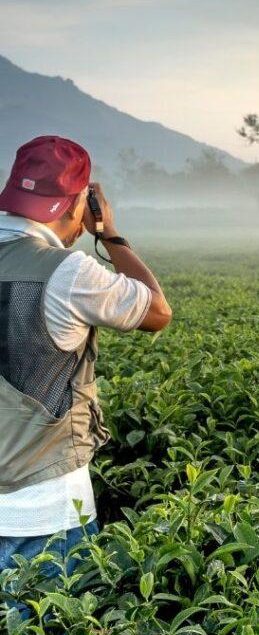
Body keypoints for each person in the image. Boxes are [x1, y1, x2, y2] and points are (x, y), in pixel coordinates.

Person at [0, 135, 172, 578]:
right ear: (79, 203)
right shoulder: (69, 272)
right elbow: (157, 311)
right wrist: (110, 233)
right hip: (43, 511)